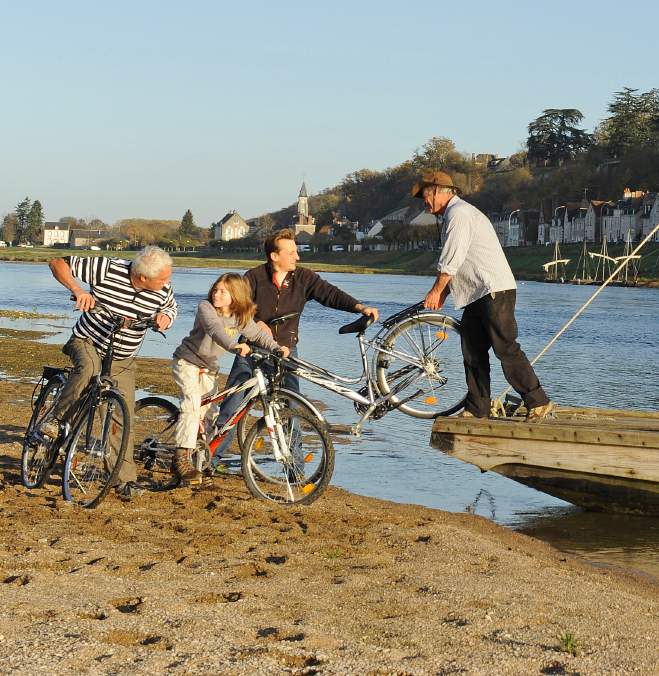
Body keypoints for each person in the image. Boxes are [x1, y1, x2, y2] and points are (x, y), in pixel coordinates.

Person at [415, 170, 554, 422]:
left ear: (437, 191)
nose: (423, 202)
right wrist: (444, 293)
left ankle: (539, 402)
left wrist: (436, 291)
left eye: (425, 196)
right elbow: (459, 262)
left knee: (506, 348)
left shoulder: (460, 214)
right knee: (472, 351)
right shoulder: (452, 216)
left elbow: (451, 259)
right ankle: (478, 409)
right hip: (476, 293)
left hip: (493, 290)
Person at [42, 246, 178, 500]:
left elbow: (171, 307)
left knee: (120, 416)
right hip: (87, 342)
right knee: (89, 369)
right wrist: (78, 290)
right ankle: (56, 419)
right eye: (162, 279)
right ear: (142, 277)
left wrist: (165, 317)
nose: (167, 282)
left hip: (122, 358)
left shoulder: (163, 288)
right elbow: (58, 263)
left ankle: (124, 481)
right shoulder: (108, 269)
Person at [216, 229, 379, 429]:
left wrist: (360, 307)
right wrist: (257, 322)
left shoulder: (304, 277)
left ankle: (295, 460)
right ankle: (214, 459)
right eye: (291, 253)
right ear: (274, 256)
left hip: (286, 350)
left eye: (296, 252)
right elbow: (236, 308)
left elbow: (331, 294)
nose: (297, 257)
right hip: (251, 349)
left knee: (291, 409)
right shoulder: (253, 277)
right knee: (231, 407)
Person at [170, 273, 288, 484]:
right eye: (216, 289)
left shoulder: (240, 316)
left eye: (223, 291)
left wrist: (276, 348)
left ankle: (202, 464)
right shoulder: (206, 307)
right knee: (192, 404)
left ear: (236, 295)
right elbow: (215, 330)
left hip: (209, 367)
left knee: (209, 416)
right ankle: (180, 456)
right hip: (187, 360)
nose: (217, 294)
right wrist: (233, 346)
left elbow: (258, 334)